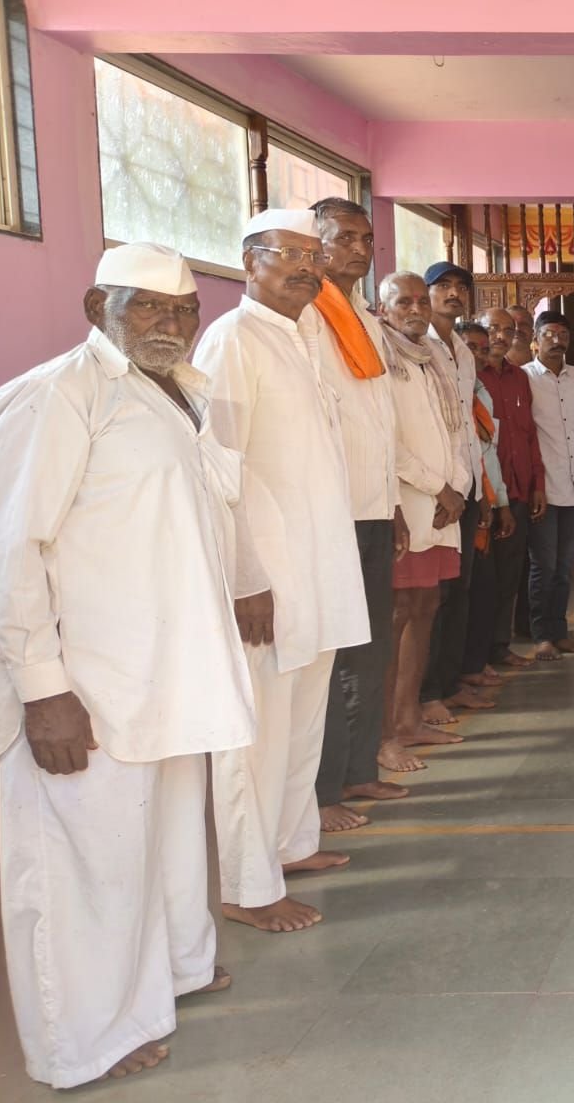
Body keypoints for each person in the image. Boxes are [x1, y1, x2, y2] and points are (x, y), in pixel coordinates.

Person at [0, 244, 254, 1088]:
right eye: (145, 305)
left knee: (161, 844)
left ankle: (167, 980)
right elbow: (13, 550)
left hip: (166, 668)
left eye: (182, 309)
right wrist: (43, 689)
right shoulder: (60, 394)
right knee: (84, 860)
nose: (168, 323)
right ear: (96, 307)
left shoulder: (175, 390)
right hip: (89, 677)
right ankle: (82, 1040)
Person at [194, 208, 369, 932]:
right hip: (267, 573)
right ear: (249, 261)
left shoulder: (301, 336)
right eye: (287, 254)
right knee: (260, 730)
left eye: (311, 257)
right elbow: (218, 469)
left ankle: (292, 844)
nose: (305, 268)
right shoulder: (232, 340)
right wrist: (244, 577)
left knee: (303, 715)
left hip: (318, 562)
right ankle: (245, 884)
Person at [303, 199, 409, 832]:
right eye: (344, 237)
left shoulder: (365, 318)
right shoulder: (306, 316)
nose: (359, 249)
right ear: (312, 241)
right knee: (335, 654)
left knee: (370, 645)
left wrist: (391, 503)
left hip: (371, 507)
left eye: (366, 239)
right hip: (330, 512)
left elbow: (378, 421)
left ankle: (359, 767)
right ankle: (323, 789)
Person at [372, 273, 469, 764]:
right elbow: (387, 438)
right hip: (409, 502)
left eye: (419, 303)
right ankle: (386, 731)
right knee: (399, 611)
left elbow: (456, 430)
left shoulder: (432, 358)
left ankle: (411, 718)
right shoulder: (379, 355)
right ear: (383, 308)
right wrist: (438, 486)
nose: (414, 310)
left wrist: (458, 488)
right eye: (403, 302)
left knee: (427, 605)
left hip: (444, 505)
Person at [418, 260, 497, 727]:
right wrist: (442, 485)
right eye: (442, 286)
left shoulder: (463, 353)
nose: (453, 293)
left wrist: (479, 488)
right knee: (434, 596)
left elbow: (467, 426)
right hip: (434, 489)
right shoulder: (416, 345)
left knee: (460, 589)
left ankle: (449, 684)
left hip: (464, 485)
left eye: (460, 287)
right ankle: (426, 693)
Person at [476, 306, 548, 666]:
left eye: (508, 330)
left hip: (517, 490)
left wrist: (537, 483)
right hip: (483, 494)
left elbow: (529, 434)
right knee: (480, 579)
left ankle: (499, 646)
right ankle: (475, 655)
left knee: (509, 574)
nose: (501, 336)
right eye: (493, 329)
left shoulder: (520, 378)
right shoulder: (471, 375)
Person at [526, 309, 574, 659]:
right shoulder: (525, 378)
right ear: (535, 340)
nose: (557, 341)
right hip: (543, 488)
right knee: (544, 565)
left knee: (566, 565)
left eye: (563, 335)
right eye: (549, 335)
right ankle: (542, 636)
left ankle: (560, 632)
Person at [453, 321, 516, 692]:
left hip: (485, 498)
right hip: (459, 500)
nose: (476, 354)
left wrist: (499, 501)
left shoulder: (482, 394)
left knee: (484, 588)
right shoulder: (451, 388)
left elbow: (489, 453)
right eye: (469, 347)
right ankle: (459, 671)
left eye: (481, 348)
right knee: (461, 592)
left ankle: (475, 663)